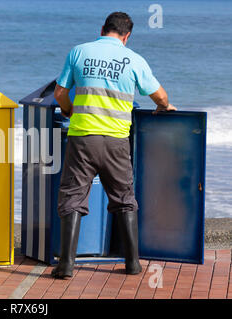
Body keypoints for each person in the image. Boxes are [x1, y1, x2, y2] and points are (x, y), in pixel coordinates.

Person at [52, 11, 177, 279]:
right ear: (127, 36)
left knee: (73, 198)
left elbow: (60, 93)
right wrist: (165, 106)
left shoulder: (79, 52)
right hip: (117, 142)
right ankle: (132, 264)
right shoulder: (134, 60)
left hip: (82, 139)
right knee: (123, 200)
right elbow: (160, 95)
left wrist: (70, 111)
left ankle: (66, 266)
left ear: (102, 28)